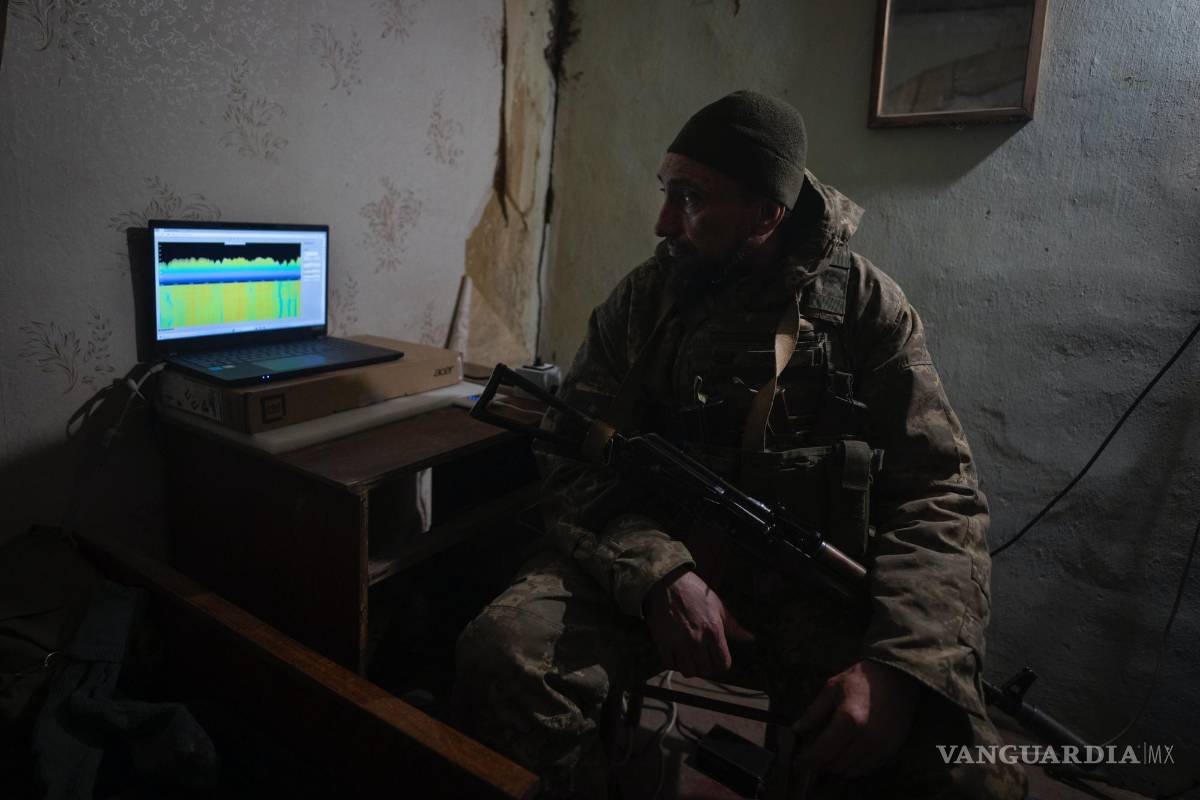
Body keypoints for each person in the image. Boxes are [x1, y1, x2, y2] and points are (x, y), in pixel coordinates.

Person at [454, 90, 1027, 800]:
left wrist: (900, 667)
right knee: (506, 654)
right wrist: (660, 574)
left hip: (809, 591)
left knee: (959, 773)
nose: (664, 222)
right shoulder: (643, 301)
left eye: (691, 199)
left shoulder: (866, 311)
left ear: (768, 213)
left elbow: (939, 492)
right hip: (652, 554)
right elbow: (569, 453)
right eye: (667, 193)